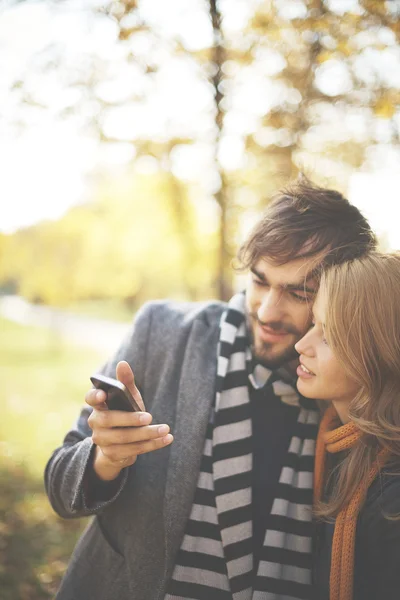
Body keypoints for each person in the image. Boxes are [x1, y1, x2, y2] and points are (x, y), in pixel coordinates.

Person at [45, 179, 376, 600]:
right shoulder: (162, 332)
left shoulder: (349, 392)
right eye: (260, 281)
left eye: (299, 293)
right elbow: (60, 487)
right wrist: (105, 459)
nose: (269, 311)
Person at [295, 252, 400, 600]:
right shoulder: (332, 438)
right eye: (314, 324)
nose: (301, 345)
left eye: (328, 337)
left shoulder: (392, 499)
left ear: (378, 352)